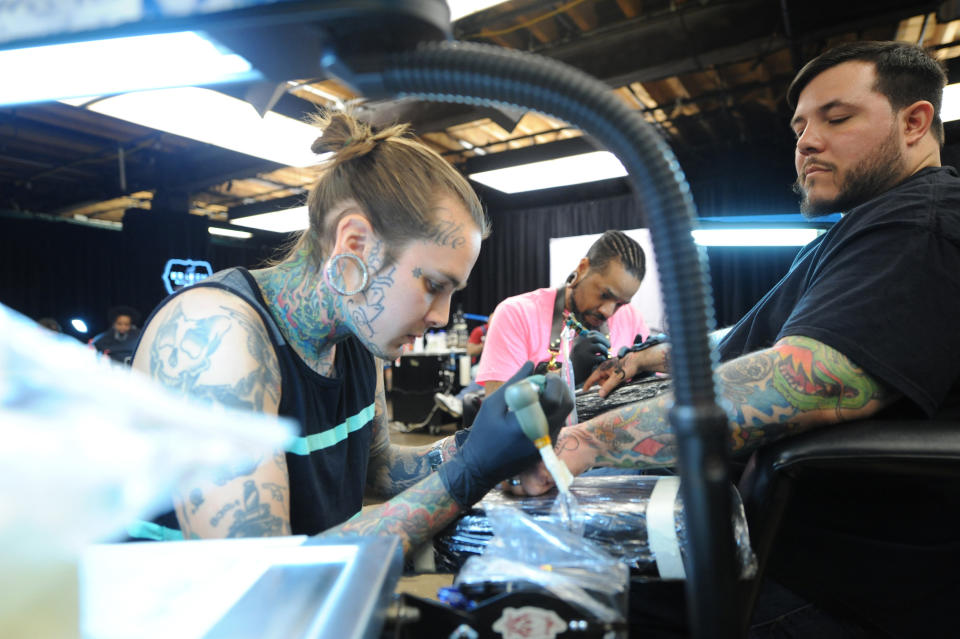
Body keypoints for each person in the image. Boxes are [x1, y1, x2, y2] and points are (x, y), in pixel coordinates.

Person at [516, 41, 960, 636]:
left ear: (914, 122)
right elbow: (746, 348)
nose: (806, 141)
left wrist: (581, 445)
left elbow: (804, 379)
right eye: (800, 125)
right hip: (762, 540)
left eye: (837, 117)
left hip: (815, 583)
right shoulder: (858, 234)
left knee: (528, 584)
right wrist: (647, 358)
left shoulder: (921, 223)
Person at [129, 112, 571, 554]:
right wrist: (470, 472)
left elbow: (376, 469)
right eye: (434, 285)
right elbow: (258, 577)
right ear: (356, 245)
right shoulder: (218, 336)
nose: (442, 315)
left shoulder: (357, 336)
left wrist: (482, 445)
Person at [477, 230, 651, 396]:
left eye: (620, 304)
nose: (608, 311)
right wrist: (568, 374)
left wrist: (645, 381)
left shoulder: (633, 320)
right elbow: (499, 411)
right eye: (604, 295)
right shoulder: (516, 314)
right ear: (583, 268)